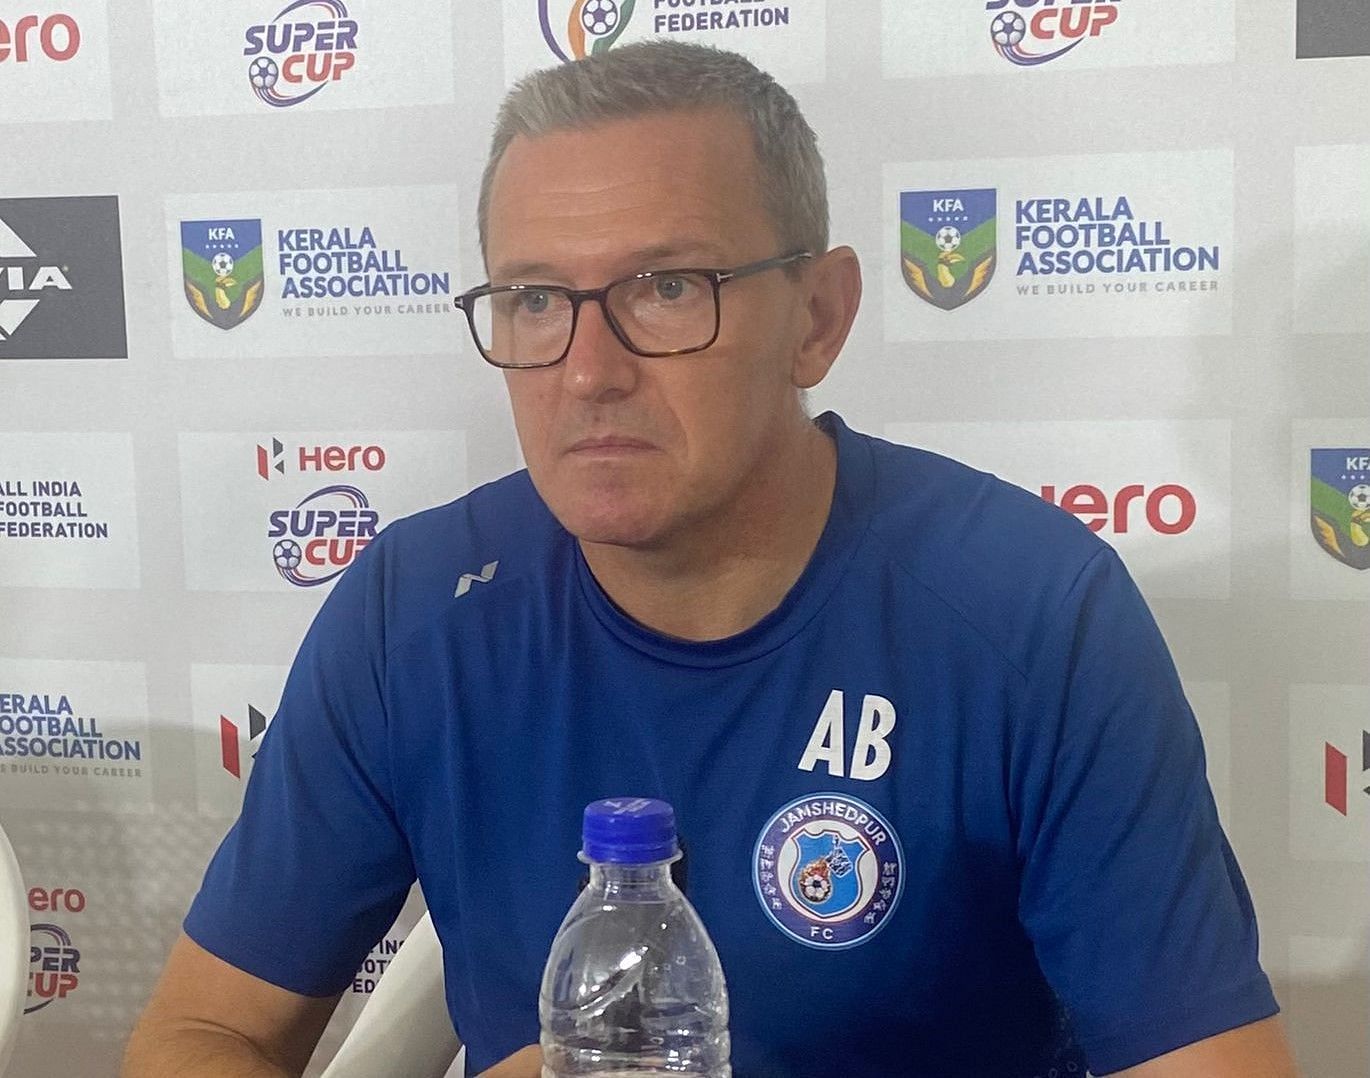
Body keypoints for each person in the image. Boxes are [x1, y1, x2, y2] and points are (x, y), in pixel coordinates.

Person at [124, 41, 1300, 1078]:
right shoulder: (412, 611)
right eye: (535, 300)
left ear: (818, 317)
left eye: (667, 287)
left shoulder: (1031, 612)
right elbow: (201, 1035)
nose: (587, 370)